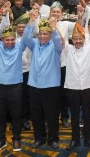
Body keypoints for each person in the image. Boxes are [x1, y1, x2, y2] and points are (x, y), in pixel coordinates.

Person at [0, 5, 29, 152]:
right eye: (7, 40)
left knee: (16, 114)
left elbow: (27, 35)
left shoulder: (19, 46)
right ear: (2, 39)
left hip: (15, 87)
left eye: (12, 39)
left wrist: (32, 20)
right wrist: (2, 16)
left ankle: (16, 139)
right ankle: (1, 140)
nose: (10, 42)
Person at [22, 11, 62, 149]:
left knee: (52, 115)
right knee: (36, 115)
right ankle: (39, 138)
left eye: (45, 34)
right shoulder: (34, 44)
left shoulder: (55, 46)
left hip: (51, 86)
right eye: (41, 34)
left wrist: (54, 28)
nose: (43, 36)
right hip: (34, 85)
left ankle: (53, 139)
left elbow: (58, 42)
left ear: (50, 35)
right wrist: (31, 21)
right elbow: (25, 38)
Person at [63, 21, 90, 151]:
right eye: (75, 39)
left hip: (88, 86)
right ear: (72, 40)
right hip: (72, 87)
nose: (78, 41)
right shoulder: (68, 49)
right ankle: (75, 139)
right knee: (74, 114)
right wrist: (54, 27)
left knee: (87, 114)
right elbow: (59, 39)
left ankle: (88, 139)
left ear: (84, 39)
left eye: (80, 38)